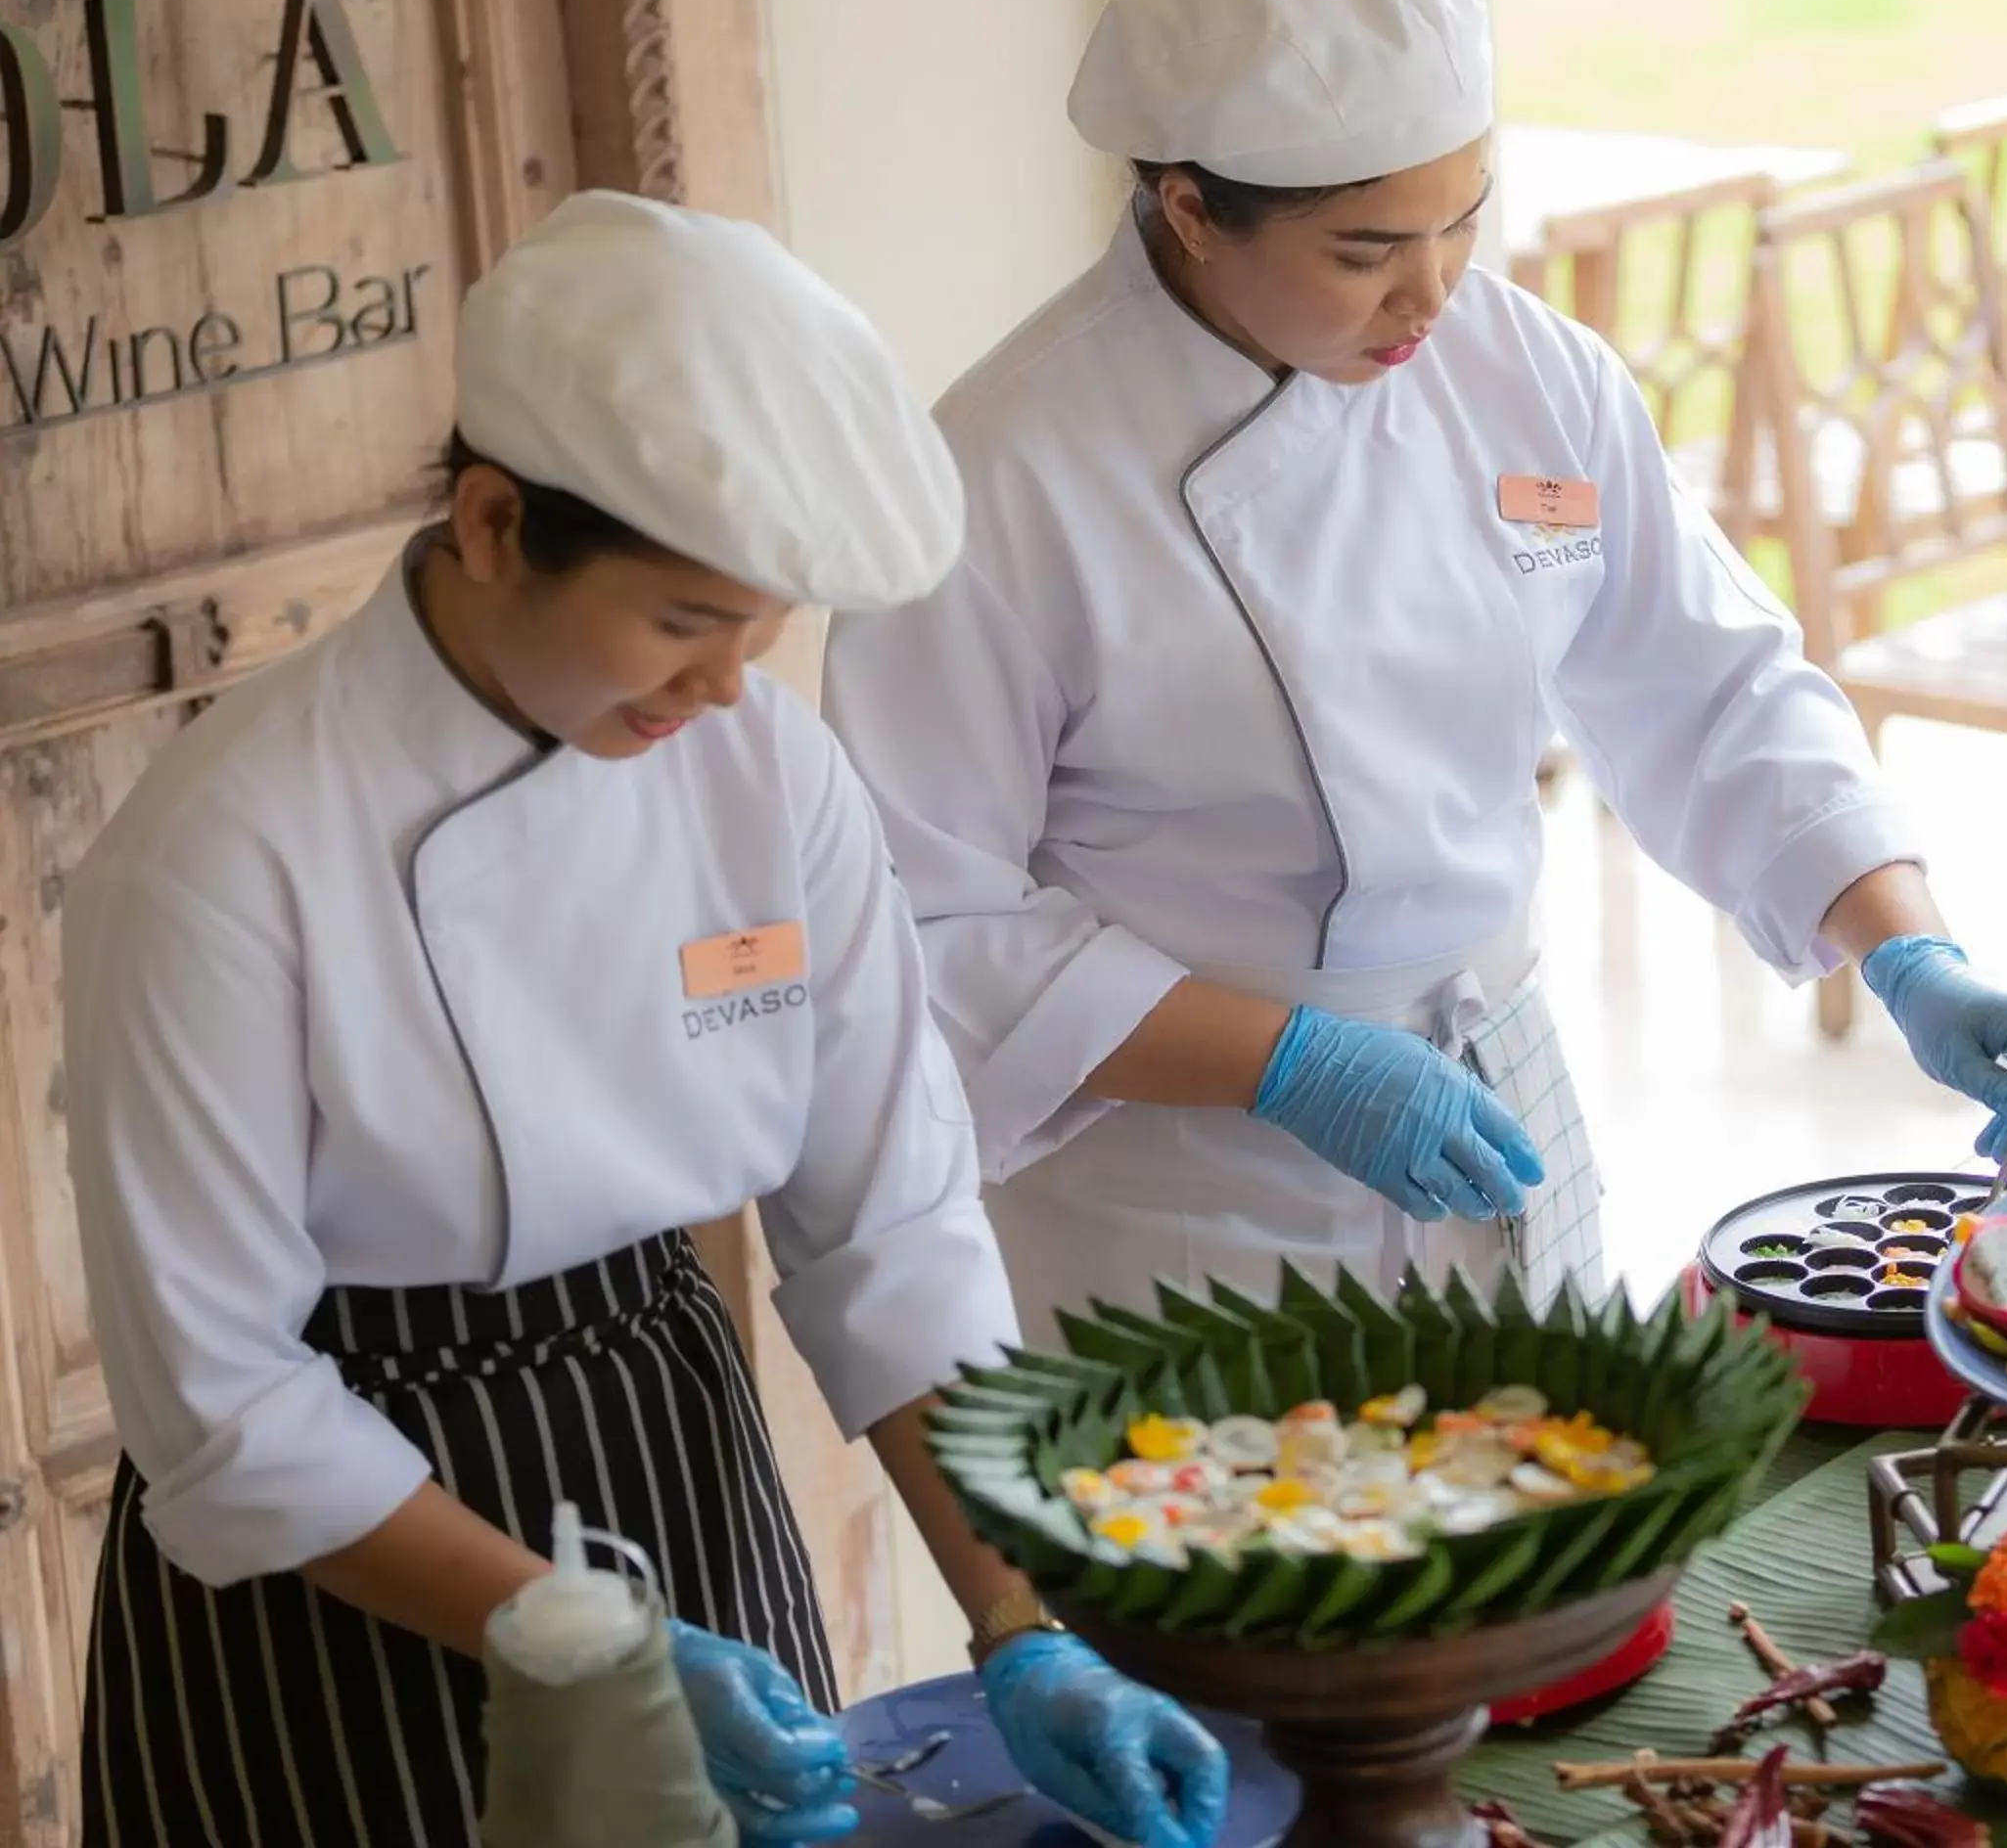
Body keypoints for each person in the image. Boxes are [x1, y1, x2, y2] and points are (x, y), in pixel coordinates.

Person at [67, 191, 1225, 1848]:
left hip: (663, 1428)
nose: (723, 687)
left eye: (759, 630)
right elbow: (224, 1410)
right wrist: (592, 1649)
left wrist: (1023, 1625)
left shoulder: (766, 771)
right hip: (344, 1546)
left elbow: (891, 1222)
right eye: (682, 622)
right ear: (487, 522)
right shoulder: (218, 858)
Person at [819, 0, 2007, 1352]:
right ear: (1188, 207)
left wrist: (1908, 946)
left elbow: (1715, 684)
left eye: (1461, 219)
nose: (1432, 294)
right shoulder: (1004, 474)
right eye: (1365, 252)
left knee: (1568, 1552)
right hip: (1188, 1190)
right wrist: (1285, 1060)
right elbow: (918, 919)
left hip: (1496, 1100)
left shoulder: (1522, 370)